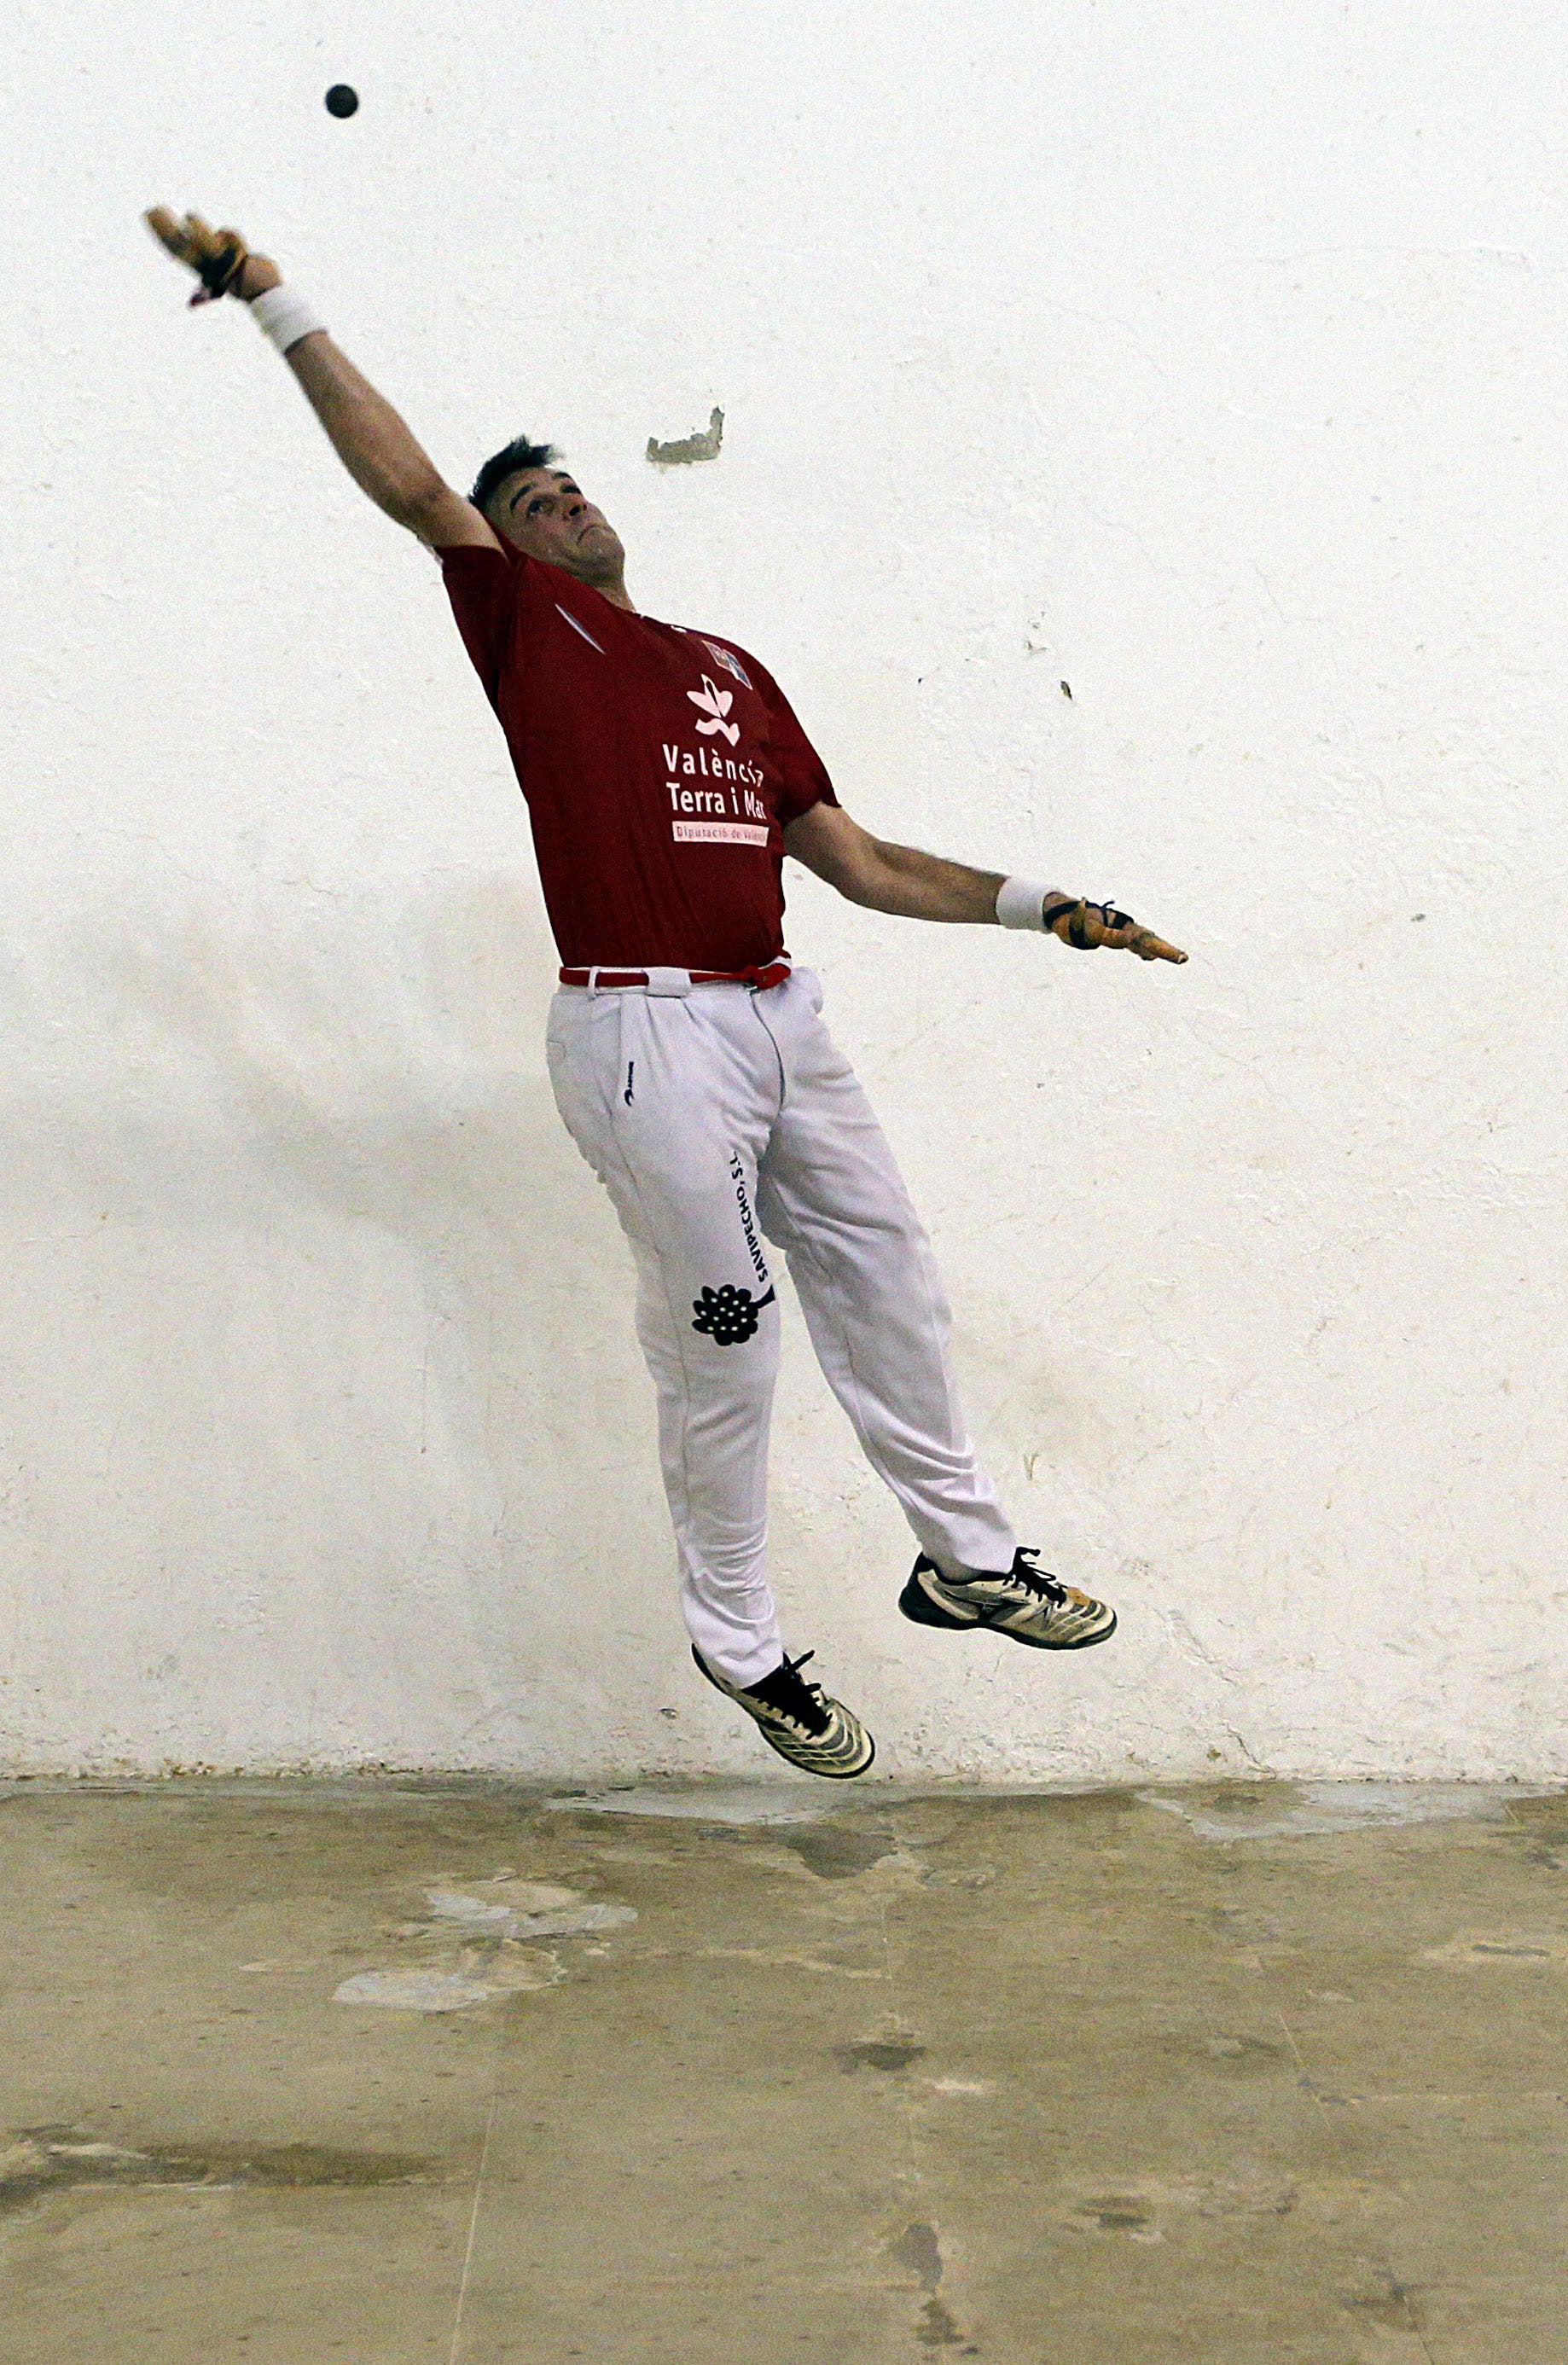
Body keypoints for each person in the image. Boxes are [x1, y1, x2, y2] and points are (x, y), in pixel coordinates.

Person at [142, 208, 1188, 1781]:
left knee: (891, 1275)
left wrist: (1055, 911)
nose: (559, 501)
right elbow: (417, 487)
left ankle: (963, 1559)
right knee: (727, 1338)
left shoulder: (725, 665)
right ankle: (739, 1640)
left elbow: (861, 861)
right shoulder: (532, 626)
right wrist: (270, 297)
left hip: (778, 1013)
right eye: (529, 502)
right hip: (644, 1035)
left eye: (567, 486)